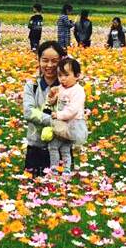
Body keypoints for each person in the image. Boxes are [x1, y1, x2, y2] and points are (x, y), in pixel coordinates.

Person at [22, 40, 64, 176]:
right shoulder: (32, 85)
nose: (49, 65)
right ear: (39, 60)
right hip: (36, 148)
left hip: (61, 149)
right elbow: (29, 112)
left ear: (61, 61)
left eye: (55, 61)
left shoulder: (69, 88)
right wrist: (53, 119)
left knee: (60, 191)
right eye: (45, 60)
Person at [44, 56, 88, 173]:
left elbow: (73, 109)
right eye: (60, 75)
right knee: (64, 148)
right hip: (62, 123)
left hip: (72, 125)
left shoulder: (78, 91)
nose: (62, 79)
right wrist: (51, 97)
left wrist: (58, 115)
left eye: (66, 75)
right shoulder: (60, 88)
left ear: (77, 76)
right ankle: (65, 171)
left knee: (55, 146)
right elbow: (53, 102)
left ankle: (56, 170)